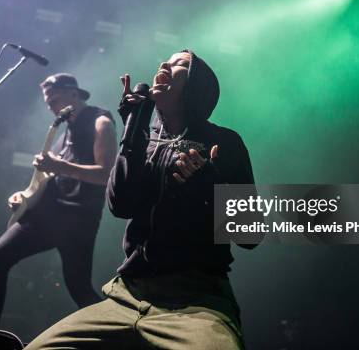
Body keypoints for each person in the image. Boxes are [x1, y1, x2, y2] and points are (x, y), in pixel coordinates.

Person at [25, 50, 257, 349]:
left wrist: (211, 189)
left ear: (198, 85)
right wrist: (133, 129)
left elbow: (250, 236)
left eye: (180, 64)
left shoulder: (224, 142)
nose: (164, 65)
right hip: (127, 296)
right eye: (165, 61)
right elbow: (121, 206)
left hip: (197, 302)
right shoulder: (143, 142)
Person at [0, 73, 117, 329]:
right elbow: (48, 180)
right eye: (48, 103)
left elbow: (107, 174)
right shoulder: (64, 133)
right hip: (48, 215)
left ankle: (121, 338)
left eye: (55, 99)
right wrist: (23, 196)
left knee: (80, 289)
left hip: (78, 220)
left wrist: (58, 165)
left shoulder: (101, 122)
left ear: (74, 94)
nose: (51, 106)